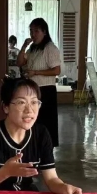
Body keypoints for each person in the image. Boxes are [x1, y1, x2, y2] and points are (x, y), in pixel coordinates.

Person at [0, 77, 84, 194]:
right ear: (5, 107)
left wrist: (64, 188)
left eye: (34, 102)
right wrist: (4, 173)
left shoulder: (41, 134)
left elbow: (51, 179)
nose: (29, 110)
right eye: (21, 102)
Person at [16, 18, 61, 147]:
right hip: (33, 91)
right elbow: (19, 62)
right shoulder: (33, 49)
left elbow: (57, 70)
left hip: (46, 90)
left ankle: (46, 150)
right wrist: (24, 46)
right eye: (31, 31)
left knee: (46, 123)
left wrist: (35, 72)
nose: (33, 34)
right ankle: (34, 148)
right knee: (33, 121)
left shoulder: (50, 48)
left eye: (36, 31)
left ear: (44, 32)